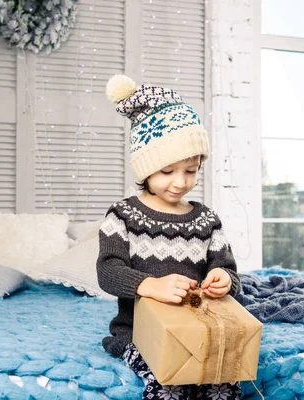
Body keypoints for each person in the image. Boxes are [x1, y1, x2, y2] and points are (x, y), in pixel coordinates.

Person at [97, 74, 242, 400]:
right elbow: (107, 271)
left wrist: (223, 277)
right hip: (139, 334)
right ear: (145, 168)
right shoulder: (123, 216)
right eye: (167, 171)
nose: (180, 182)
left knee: (223, 385)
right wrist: (149, 285)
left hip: (199, 330)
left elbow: (228, 269)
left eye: (190, 171)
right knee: (170, 381)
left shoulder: (206, 220)